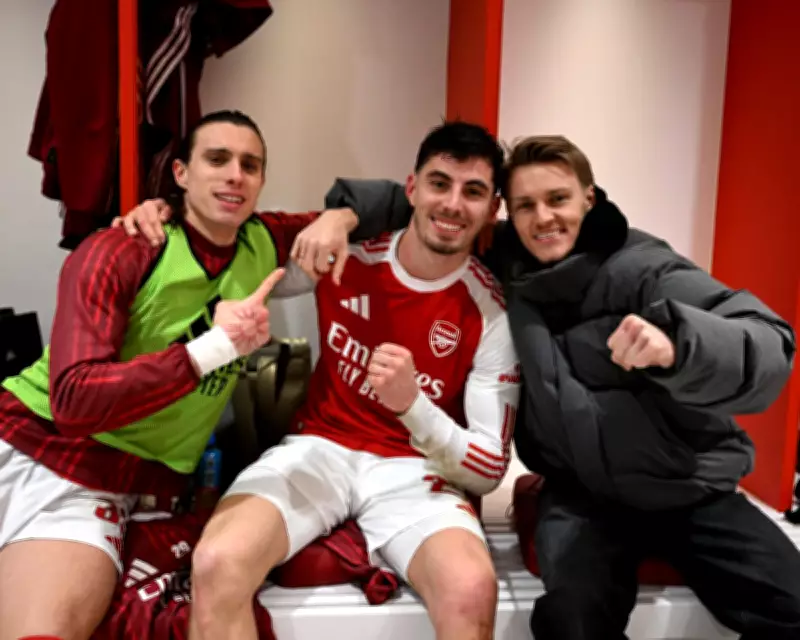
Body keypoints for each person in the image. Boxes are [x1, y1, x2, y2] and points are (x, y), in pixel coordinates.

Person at [320, 134, 800, 639]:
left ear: (589, 198)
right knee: (571, 623)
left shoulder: (643, 266)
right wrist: (342, 214)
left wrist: (679, 344)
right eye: (526, 205)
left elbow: (768, 339)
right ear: (508, 213)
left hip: (689, 488)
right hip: (582, 497)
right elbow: (435, 205)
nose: (543, 217)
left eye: (558, 199)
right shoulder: (506, 258)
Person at [123, 121, 521, 640]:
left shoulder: (491, 312)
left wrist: (413, 406)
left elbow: (488, 469)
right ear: (411, 188)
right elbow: (223, 237)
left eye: (473, 192)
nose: (452, 204)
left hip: (415, 470)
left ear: (493, 208)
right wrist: (163, 212)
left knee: (471, 589)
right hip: (319, 447)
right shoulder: (346, 252)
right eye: (439, 183)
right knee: (217, 562)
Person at [0, 109, 368, 640]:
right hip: (32, 440)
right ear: (181, 174)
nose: (235, 175)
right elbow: (74, 401)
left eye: (250, 165)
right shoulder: (124, 247)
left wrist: (340, 217)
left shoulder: (264, 241)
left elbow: (407, 205)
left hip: (106, 484)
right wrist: (209, 350)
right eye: (217, 159)